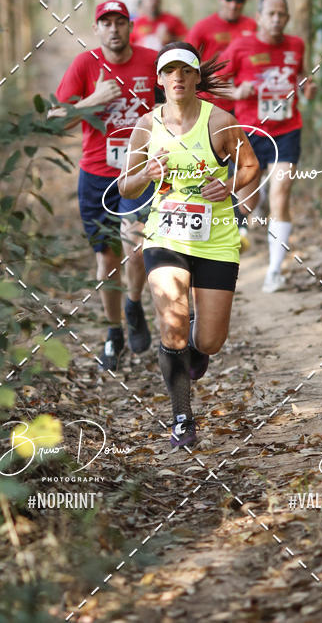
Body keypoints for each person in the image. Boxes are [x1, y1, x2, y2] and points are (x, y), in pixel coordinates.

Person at [119, 42, 259, 447]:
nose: (178, 77)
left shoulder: (220, 122)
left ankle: (197, 344)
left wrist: (229, 184)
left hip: (215, 239)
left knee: (210, 341)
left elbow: (250, 166)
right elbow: (126, 187)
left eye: (186, 70)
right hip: (165, 234)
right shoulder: (147, 125)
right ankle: (182, 418)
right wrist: (146, 173)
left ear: (197, 77)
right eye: (169, 71)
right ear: (159, 80)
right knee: (172, 327)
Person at [50, 0, 158, 371]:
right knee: (107, 260)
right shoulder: (85, 65)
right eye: (106, 23)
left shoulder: (151, 61)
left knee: (136, 244)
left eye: (120, 22)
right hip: (97, 176)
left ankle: (133, 302)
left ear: (131, 27)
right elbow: (54, 121)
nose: (113, 29)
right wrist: (92, 101)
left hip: (140, 172)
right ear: (97, 29)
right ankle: (114, 333)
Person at [219, 0, 316, 292]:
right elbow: (215, 83)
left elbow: (302, 76)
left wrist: (308, 87)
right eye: (270, 14)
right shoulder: (240, 46)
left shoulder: (296, 45)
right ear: (258, 17)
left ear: (287, 19)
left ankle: (274, 270)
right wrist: (236, 93)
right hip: (249, 131)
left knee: (281, 192)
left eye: (281, 14)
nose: (276, 19)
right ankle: (239, 229)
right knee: (249, 199)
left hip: (287, 129)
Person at [186, 0, 257, 113]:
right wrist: (214, 71)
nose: (233, 5)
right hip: (210, 103)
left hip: (244, 103)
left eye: (239, 0)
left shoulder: (251, 25)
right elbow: (186, 64)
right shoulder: (202, 28)